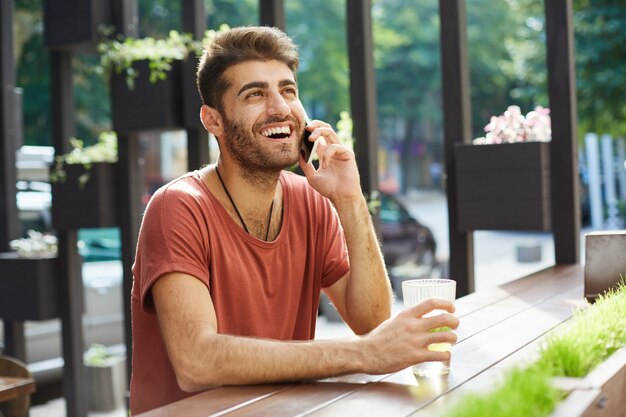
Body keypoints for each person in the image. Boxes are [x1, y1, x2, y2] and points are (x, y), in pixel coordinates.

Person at [130, 26, 459, 414]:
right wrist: (363, 355)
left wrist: (349, 198)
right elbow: (197, 362)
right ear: (213, 120)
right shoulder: (178, 207)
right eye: (255, 94)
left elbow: (371, 322)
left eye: (287, 90)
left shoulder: (310, 202)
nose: (280, 108)